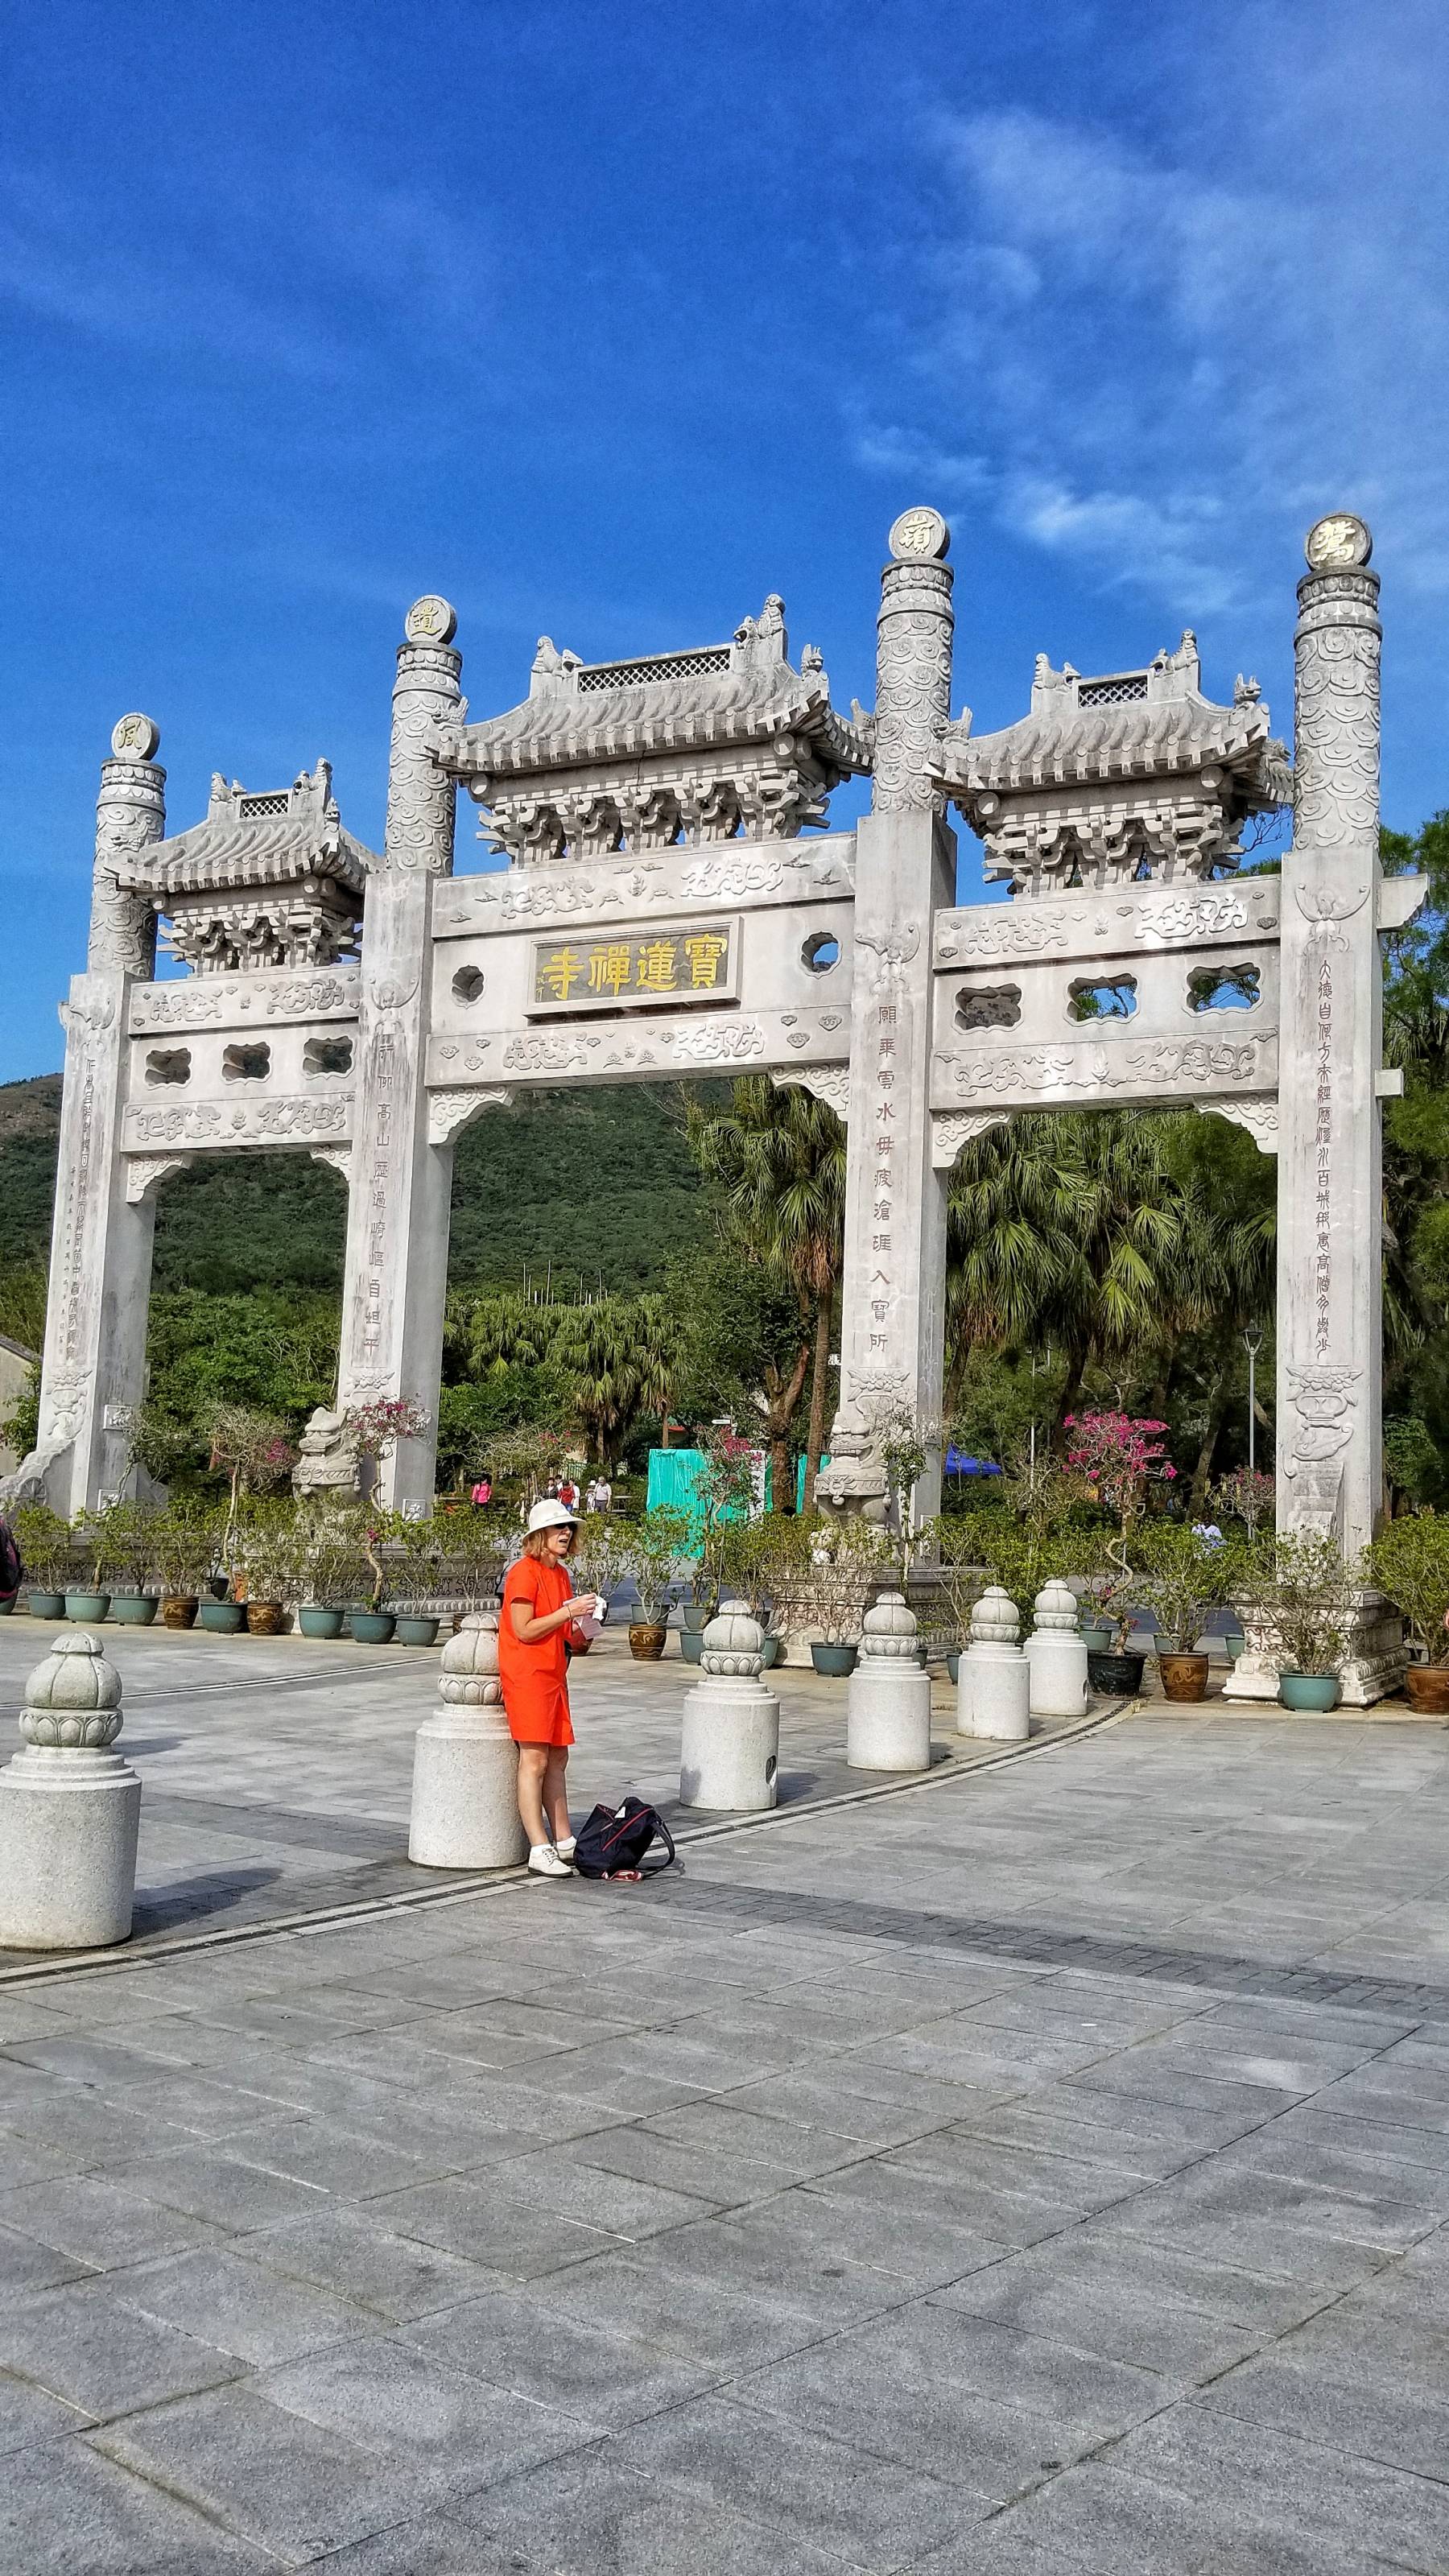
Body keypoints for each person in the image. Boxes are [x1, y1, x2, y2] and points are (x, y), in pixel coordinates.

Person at [498, 1497, 602, 1878]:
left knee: (558, 1758)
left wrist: (584, 1628)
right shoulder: (523, 1573)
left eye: (569, 1527)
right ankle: (539, 1846)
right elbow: (523, 1629)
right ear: (539, 1534)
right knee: (536, 1760)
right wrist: (568, 1612)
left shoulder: (560, 1574)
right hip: (527, 1675)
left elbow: (561, 1630)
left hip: (554, 1673)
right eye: (559, 1527)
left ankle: (564, 1839)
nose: (566, 1533)